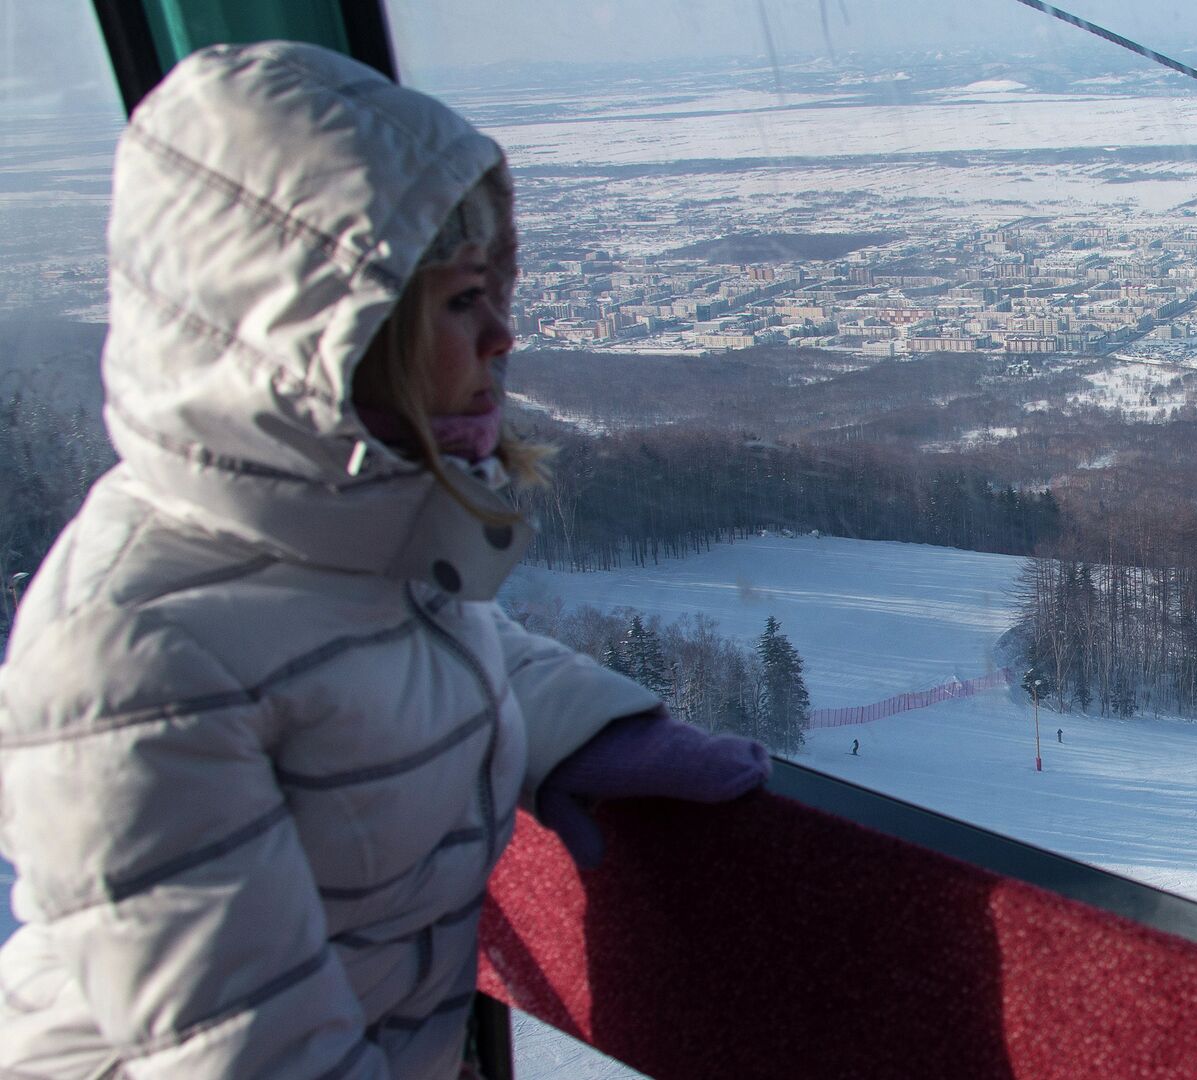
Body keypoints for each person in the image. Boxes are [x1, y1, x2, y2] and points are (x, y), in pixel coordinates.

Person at [0, 43, 770, 1079]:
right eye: (460, 301)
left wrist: (581, 726)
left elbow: (398, 649)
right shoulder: (134, 667)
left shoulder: (331, 538)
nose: (503, 335)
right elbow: (246, 1059)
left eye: (498, 287)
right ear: (327, 342)